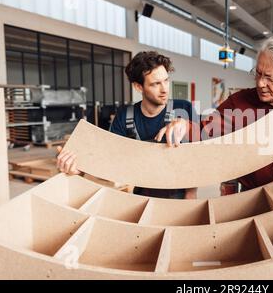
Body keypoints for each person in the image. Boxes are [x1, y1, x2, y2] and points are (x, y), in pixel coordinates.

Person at [172, 36, 273, 191]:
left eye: (269, 77)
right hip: (250, 195)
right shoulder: (238, 103)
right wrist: (184, 125)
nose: (260, 83)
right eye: (258, 73)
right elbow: (205, 130)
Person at [57, 51, 197, 199]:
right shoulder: (124, 116)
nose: (165, 89)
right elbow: (110, 157)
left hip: (179, 194)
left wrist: (191, 193)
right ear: (138, 87)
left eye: (166, 81)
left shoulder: (184, 109)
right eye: (156, 84)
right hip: (141, 194)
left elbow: (197, 156)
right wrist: (79, 168)